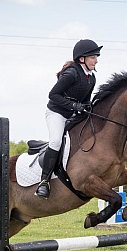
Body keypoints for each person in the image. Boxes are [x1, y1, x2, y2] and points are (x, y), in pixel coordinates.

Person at [35, 39, 103, 199]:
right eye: (93, 57)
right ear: (82, 59)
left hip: (73, 115)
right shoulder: (71, 73)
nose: (96, 60)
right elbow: (53, 95)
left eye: (96, 57)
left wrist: (87, 108)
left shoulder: (91, 78)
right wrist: (74, 106)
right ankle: (44, 181)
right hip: (57, 113)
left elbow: (85, 100)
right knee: (56, 142)